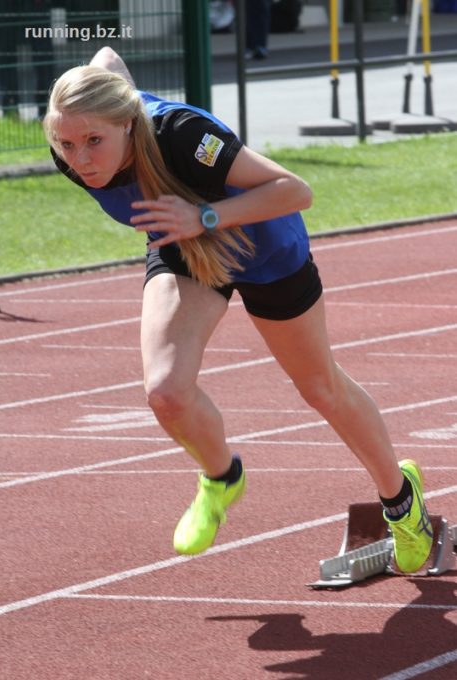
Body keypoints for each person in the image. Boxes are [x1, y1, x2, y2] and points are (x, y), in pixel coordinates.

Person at [43, 47, 433, 573]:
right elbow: (109, 58)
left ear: (128, 124)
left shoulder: (183, 135)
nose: (82, 158)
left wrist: (204, 215)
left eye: (94, 141)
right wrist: (189, 223)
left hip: (263, 245)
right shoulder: (71, 146)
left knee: (320, 387)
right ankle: (222, 477)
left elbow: (296, 190)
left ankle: (403, 505)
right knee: (165, 391)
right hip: (182, 240)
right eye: (67, 144)